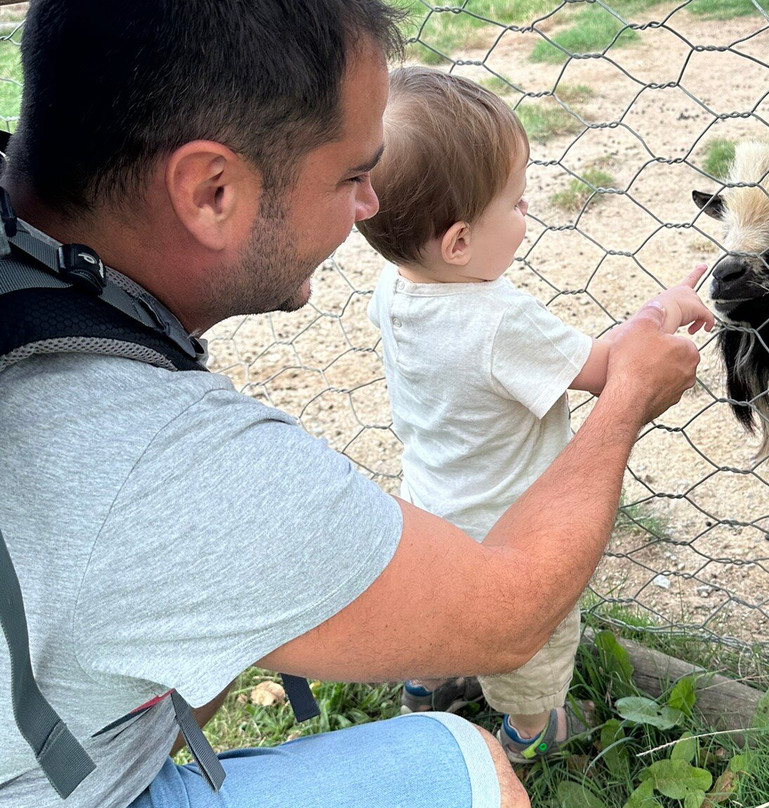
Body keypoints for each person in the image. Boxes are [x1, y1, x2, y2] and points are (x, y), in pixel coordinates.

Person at [0, 2, 703, 807]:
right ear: (211, 190)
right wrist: (628, 401)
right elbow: (511, 615)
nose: (372, 209)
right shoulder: (167, 460)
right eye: (351, 176)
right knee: (463, 765)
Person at [356, 66, 714, 763]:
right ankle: (530, 732)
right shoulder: (496, 318)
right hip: (510, 530)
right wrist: (663, 310)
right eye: (517, 204)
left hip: (431, 514)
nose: (529, 216)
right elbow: (605, 369)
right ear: (458, 242)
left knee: (440, 618)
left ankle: (429, 690)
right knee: (531, 643)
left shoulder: (392, 290)